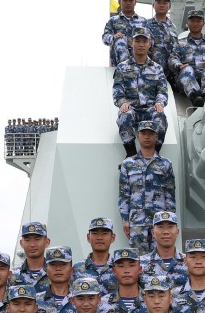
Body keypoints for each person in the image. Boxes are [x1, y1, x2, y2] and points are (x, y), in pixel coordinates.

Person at [118, 121, 176, 253]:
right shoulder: (128, 164)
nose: (147, 136)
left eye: (150, 133)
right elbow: (124, 194)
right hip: (137, 222)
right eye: (143, 133)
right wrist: (125, 220)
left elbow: (170, 194)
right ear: (138, 136)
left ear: (156, 137)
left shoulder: (165, 164)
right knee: (138, 260)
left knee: (161, 257)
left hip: (160, 223)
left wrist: (170, 221)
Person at [114, 26, 168, 157]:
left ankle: (154, 155)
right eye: (137, 41)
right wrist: (122, 103)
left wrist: (160, 103)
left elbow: (162, 89)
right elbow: (117, 89)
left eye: (144, 41)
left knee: (160, 117)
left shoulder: (157, 68)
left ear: (149, 44)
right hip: (132, 108)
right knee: (125, 116)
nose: (141, 45)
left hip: (150, 108)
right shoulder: (122, 67)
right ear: (131, 43)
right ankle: (131, 154)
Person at [169, 9, 205, 106]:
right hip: (187, 81)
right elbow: (172, 59)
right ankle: (195, 97)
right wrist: (179, 65)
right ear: (187, 23)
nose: (195, 24)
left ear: (203, 23)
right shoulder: (180, 43)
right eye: (192, 21)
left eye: (198, 21)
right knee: (187, 69)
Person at [139, 211, 188, 289]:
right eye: (160, 227)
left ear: (177, 232)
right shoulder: (141, 263)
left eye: (170, 227)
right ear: (153, 233)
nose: (166, 232)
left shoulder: (189, 262)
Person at [102, 0, 144, 67]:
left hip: (139, 65)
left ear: (135, 2)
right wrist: (114, 37)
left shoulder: (143, 21)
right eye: (125, 0)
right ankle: (125, 68)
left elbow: (150, 40)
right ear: (119, 2)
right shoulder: (113, 20)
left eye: (131, 0)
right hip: (118, 65)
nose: (128, 3)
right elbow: (105, 38)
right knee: (120, 40)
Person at [78, 217, 119, 292]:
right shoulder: (77, 268)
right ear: (88, 237)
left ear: (112, 238)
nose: (99, 238)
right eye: (95, 233)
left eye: (104, 233)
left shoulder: (119, 267)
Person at [12, 221, 51, 292]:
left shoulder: (56, 273)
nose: (32, 244)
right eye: (27, 240)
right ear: (21, 243)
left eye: (37, 239)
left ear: (47, 242)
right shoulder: (13, 275)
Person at [145, 0, 178, 72]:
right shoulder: (146, 24)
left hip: (171, 63)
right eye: (159, 2)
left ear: (169, 6)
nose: (161, 5)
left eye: (164, 3)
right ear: (153, 5)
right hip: (153, 65)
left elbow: (176, 48)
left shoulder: (173, 27)